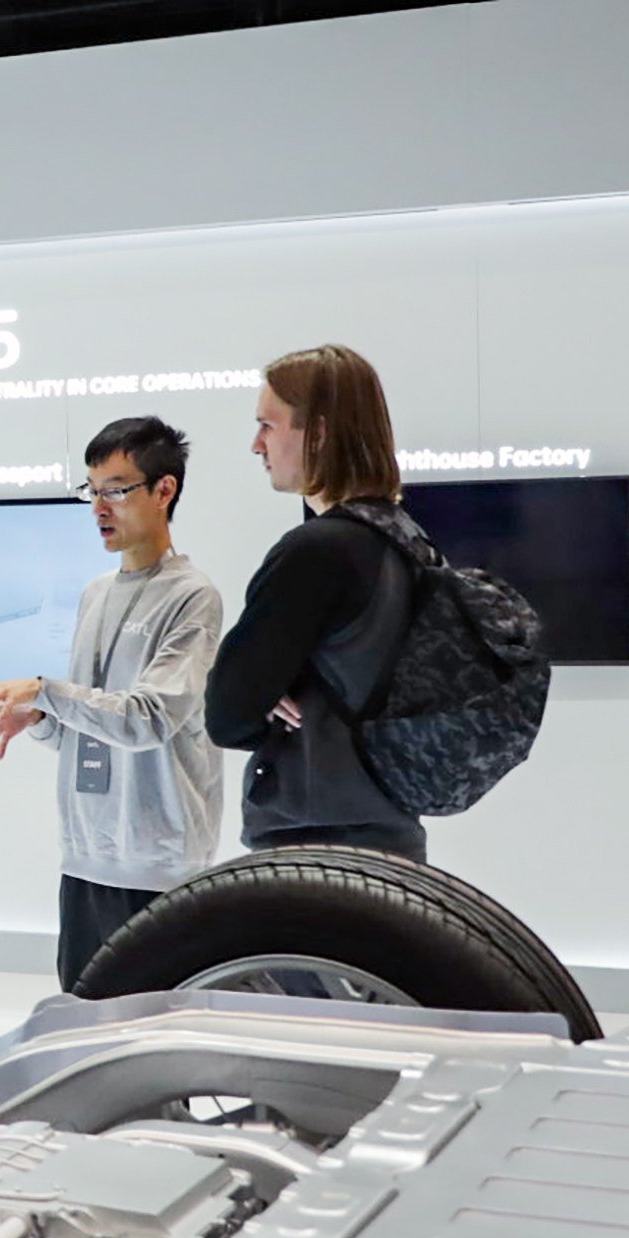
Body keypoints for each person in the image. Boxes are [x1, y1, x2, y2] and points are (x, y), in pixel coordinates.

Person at [0, 417, 225, 987]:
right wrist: (40, 718)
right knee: (82, 1023)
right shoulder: (94, 594)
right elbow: (83, 726)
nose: (99, 506)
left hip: (159, 864)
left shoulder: (192, 595)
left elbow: (150, 719)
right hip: (84, 857)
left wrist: (47, 692)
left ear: (164, 490)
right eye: (92, 490)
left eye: (116, 490)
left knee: (155, 1036)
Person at [204, 343, 427, 861]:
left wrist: (263, 686)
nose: (256, 445)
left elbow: (227, 713)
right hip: (391, 833)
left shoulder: (316, 551)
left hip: (313, 845)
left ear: (320, 431)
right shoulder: (406, 538)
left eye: (268, 425)